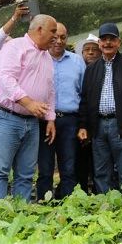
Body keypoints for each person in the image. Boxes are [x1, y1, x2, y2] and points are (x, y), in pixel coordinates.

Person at [0, 14, 57, 201]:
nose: (55, 37)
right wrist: (28, 102)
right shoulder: (15, 46)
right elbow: (6, 79)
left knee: (26, 174)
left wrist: (50, 118)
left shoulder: (47, 57)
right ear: (40, 29)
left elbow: (50, 89)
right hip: (6, 118)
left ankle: (22, 216)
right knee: (0, 171)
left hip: (32, 122)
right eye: (53, 31)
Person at [78, 23, 122, 193]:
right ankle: (106, 209)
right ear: (99, 43)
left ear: (119, 42)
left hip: (121, 125)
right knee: (101, 171)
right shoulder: (92, 69)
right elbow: (85, 100)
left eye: (112, 40)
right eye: (104, 40)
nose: (107, 43)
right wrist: (83, 126)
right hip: (98, 126)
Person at [36, 22, 86, 200]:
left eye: (62, 37)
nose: (58, 41)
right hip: (43, 121)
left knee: (68, 167)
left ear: (67, 39)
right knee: (45, 167)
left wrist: (82, 124)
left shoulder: (77, 61)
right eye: (54, 37)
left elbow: (84, 94)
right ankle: (44, 205)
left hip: (69, 121)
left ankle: (68, 206)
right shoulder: (38, 59)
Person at [75, 33, 101, 194]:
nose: (90, 53)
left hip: (99, 123)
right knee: (80, 160)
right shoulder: (77, 69)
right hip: (80, 122)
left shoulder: (103, 70)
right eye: (87, 50)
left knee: (98, 161)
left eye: (94, 50)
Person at [0, 3, 31, 81]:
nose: (8, 45)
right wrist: (14, 18)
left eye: (10, 44)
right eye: (5, 42)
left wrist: (33, 25)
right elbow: (0, 38)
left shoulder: (18, 63)